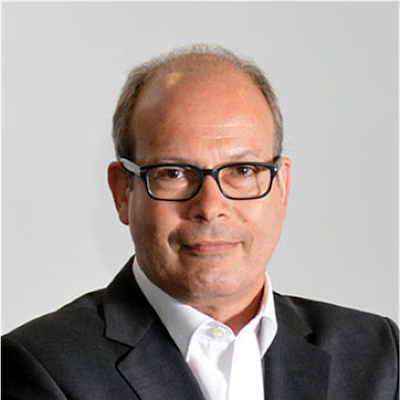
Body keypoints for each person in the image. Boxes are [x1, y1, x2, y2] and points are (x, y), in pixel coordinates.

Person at [0, 45, 398, 400]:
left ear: (282, 188)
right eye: (173, 173)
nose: (210, 207)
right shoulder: (40, 368)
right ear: (123, 191)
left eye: (242, 170)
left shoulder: (378, 354)